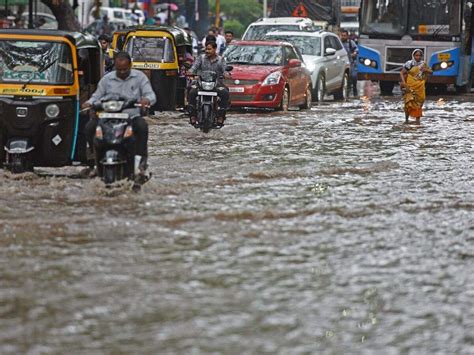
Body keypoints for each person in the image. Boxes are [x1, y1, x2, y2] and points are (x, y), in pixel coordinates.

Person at [81, 52, 156, 178]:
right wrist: (89, 103)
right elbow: (97, 95)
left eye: (124, 69)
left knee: (142, 126)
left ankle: (140, 163)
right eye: (118, 69)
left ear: (130, 65)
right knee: (89, 127)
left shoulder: (140, 77)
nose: (121, 72)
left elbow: (150, 95)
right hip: (107, 117)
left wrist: (146, 100)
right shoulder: (107, 79)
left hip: (130, 117)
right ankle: (94, 161)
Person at [187, 41, 230, 126]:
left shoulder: (221, 60)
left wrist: (226, 74)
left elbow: (225, 69)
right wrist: (190, 72)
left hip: (216, 84)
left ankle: (221, 116)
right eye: (206, 49)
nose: (207, 51)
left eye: (209, 49)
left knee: (225, 92)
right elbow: (194, 67)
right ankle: (192, 116)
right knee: (191, 91)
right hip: (200, 83)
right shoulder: (201, 58)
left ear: (215, 49)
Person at [400, 49, 433, 123]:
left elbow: (431, 72)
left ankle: (417, 120)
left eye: (419, 56)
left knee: (419, 103)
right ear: (413, 56)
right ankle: (406, 120)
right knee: (408, 103)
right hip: (410, 86)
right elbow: (402, 73)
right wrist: (404, 83)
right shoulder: (409, 63)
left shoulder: (423, 64)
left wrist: (426, 70)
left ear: (421, 56)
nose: (418, 57)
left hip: (420, 87)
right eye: (416, 55)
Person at [340, 29, 359, 97]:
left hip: (351, 63)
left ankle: (354, 92)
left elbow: (356, 49)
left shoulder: (351, 43)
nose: (343, 37)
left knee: (353, 77)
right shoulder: (339, 43)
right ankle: (346, 93)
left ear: (347, 36)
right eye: (342, 35)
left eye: (344, 35)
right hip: (342, 63)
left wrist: (354, 53)